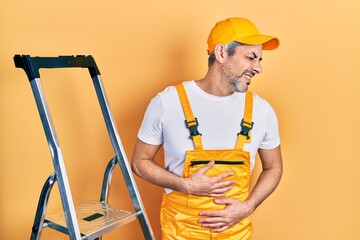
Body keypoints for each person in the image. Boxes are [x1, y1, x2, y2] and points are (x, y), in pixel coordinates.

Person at [131, 17, 283, 240]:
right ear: (221, 53)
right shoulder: (168, 102)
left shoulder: (262, 110)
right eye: (251, 57)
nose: (258, 67)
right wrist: (185, 185)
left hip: (236, 234)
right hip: (179, 233)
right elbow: (139, 162)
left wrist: (248, 206)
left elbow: (274, 168)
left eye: (260, 59)